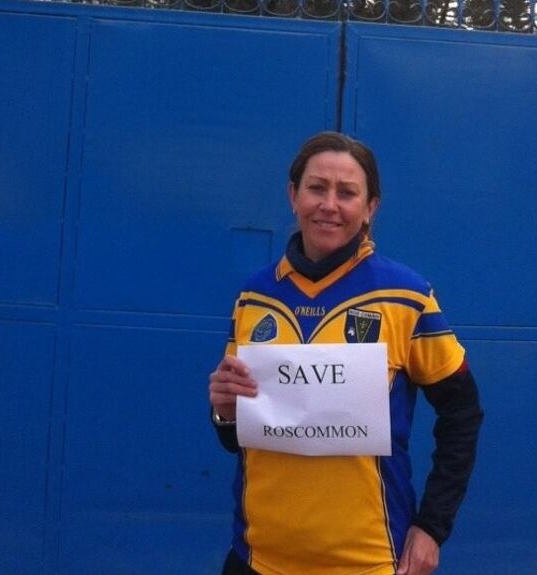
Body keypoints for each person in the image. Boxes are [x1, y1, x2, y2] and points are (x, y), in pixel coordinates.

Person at [208, 132, 483, 575]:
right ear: (293, 196)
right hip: (258, 559)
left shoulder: (406, 297)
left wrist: (432, 526)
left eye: (347, 193)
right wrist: (224, 411)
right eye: (316, 188)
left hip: (368, 562)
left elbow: (462, 413)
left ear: (370, 207)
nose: (329, 205)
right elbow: (237, 433)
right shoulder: (254, 297)